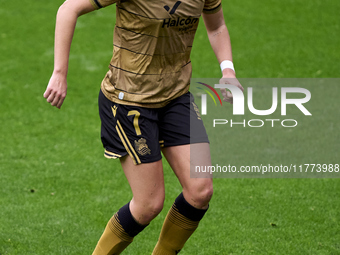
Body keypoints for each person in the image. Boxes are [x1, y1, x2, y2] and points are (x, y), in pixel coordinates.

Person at [44, 0, 243, 254]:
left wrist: (228, 71)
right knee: (148, 204)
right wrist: (59, 72)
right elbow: (68, 9)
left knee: (200, 191)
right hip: (128, 102)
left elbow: (217, 26)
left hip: (175, 96)